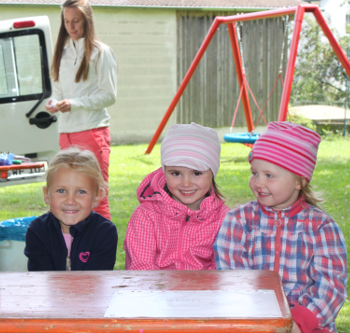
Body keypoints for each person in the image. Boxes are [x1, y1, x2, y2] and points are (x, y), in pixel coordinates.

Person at [214, 122, 347, 333]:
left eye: (269, 175)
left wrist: (298, 323)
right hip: (251, 322)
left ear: (298, 181)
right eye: (254, 173)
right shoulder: (237, 222)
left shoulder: (322, 228)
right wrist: (258, 322)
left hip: (308, 326)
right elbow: (232, 279)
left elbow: (330, 286)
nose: (258, 183)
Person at [45, 0, 117, 221]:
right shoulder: (61, 53)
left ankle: (102, 254)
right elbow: (57, 91)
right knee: (68, 200)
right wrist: (53, 103)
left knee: (95, 197)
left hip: (92, 132)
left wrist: (74, 104)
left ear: (87, 20)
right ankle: (72, 252)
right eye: (66, 21)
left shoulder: (101, 52)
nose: (71, 26)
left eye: (75, 21)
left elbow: (109, 95)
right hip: (65, 134)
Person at [124, 123, 230, 270]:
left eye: (196, 173)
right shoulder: (146, 215)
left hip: (205, 291)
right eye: (176, 173)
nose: (186, 183)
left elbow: (223, 270)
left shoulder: (224, 219)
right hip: (156, 290)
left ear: (212, 173)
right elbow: (141, 269)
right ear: (164, 171)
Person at [24, 146, 117, 271]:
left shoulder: (104, 232)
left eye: (81, 192)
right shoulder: (38, 230)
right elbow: (41, 280)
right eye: (61, 191)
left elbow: (96, 282)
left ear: (97, 197)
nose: (70, 201)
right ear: (47, 195)